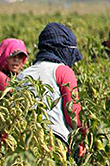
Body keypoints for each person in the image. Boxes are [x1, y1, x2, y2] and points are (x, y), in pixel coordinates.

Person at [14, 22, 86, 158]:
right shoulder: (63, 71)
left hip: (25, 145)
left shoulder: (23, 75)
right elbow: (72, 114)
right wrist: (85, 135)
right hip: (55, 143)